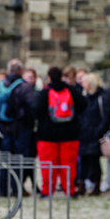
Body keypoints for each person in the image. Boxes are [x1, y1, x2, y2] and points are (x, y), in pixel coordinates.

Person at [34, 66, 87, 197]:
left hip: (47, 135)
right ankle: (70, 190)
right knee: (69, 165)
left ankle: (47, 191)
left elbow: (36, 111)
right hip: (70, 134)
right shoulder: (71, 90)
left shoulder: (44, 92)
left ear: (49, 77)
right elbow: (83, 104)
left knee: (48, 166)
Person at [0, 59, 37, 196]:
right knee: (19, 159)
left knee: (4, 159)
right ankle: (16, 189)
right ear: (20, 71)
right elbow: (32, 106)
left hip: (4, 127)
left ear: (8, 70)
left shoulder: (0, 85)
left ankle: (2, 189)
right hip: (21, 128)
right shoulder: (24, 87)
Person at [78, 72, 108, 196]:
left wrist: (98, 131)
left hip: (95, 134)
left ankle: (96, 185)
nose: (82, 84)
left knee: (94, 161)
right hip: (84, 134)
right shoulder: (84, 98)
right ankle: (82, 185)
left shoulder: (101, 97)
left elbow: (106, 116)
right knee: (83, 161)